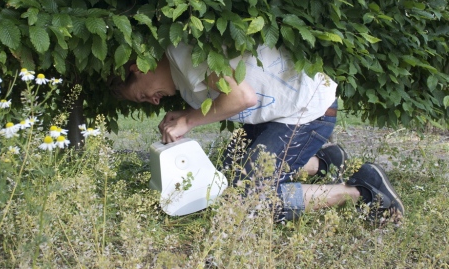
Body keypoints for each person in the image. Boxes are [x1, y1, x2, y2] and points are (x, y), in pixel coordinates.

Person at [109, 42, 404, 222]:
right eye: (148, 102)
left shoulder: (185, 55)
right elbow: (228, 100)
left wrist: (189, 122)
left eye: (143, 95)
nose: (155, 101)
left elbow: (242, 98)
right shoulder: (180, 73)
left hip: (306, 112)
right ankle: (324, 161)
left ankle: (365, 191)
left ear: (136, 68)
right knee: (221, 183)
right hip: (278, 118)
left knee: (249, 202)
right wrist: (187, 115)